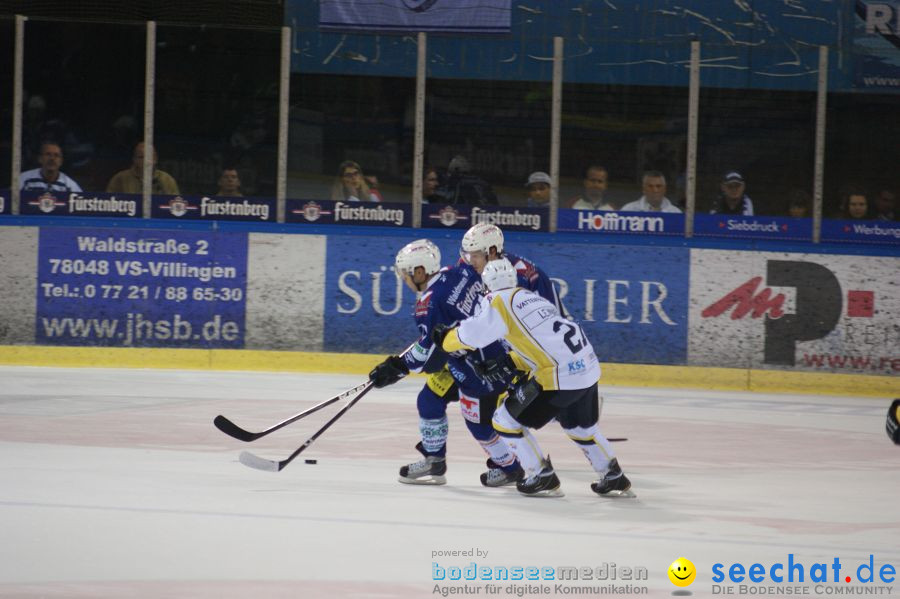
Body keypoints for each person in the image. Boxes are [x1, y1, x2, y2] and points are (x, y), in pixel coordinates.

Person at [432, 258, 634, 499]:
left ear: (487, 285)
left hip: (560, 376)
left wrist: (446, 338)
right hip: (587, 367)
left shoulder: (497, 300)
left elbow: (472, 334)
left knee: (504, 421)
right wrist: (512, 362)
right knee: (581, 427)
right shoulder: (532, 298)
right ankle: (613, 476)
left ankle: (540, 475)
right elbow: (544, 342)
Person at [368, 240, 525, 487]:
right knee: (430, 400)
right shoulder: (457, 272)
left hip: (480, 369)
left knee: (480, 426)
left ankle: (512, 468)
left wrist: (395, 368)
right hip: (471, 358)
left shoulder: (428, 305)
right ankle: (435, 461)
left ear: (420, 271)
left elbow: (426, 356)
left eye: (406, 275)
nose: (405, 280)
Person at [460, 223, 565, 316]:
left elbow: (555, 321)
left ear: (492, 252)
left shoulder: (526, 276)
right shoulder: (467, 266)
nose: (471, 261)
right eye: (468, 255)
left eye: (476, 256)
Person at [106, 142, 180, 194]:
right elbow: (109, 204)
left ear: (156, 159)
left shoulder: (167, 180)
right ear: (134, 159)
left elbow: (174, 205)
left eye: (149, 157)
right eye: (141, 157)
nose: (146, 161)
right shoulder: (120, 179)